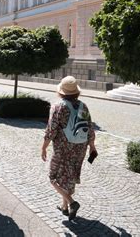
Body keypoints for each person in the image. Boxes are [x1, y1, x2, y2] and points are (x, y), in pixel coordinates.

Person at [41, 75, 97, 221]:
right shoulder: (83, 106)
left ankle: (72, 202)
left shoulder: (57, 106)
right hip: (80, 147)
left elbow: (51, 130)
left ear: (61, 91)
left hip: (63, 148)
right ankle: (64, 207)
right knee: (70, 176)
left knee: (53, 177)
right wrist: (92, 146)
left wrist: (44, 147)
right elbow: (90, 127)